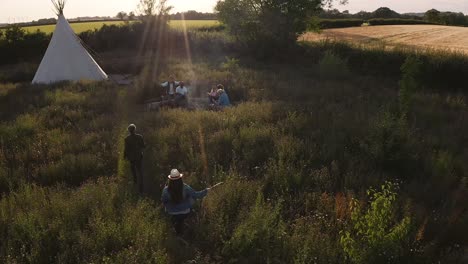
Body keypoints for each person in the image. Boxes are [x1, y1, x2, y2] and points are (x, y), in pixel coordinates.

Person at [161, 169, 209, 235]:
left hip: (172, 212)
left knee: (167, 203)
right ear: (180, 178)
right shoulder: (185, 187)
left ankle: (177, 228)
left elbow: (163, 201)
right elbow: (197, 195)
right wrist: (206, 191)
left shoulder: (166, 190)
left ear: (170, 180)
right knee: (191, 197)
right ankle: (182, 226)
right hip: (185, 211)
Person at [124, 124, 145, 193]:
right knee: (139, 169)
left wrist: (125, 156)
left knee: (133, 169)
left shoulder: (127, 139)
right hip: (139, 156)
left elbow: (126, 149)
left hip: (131, 157)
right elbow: (143, 146)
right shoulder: (140, 137)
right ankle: (141, 183)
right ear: (135, 129)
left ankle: (135, 180)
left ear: (129, 131)